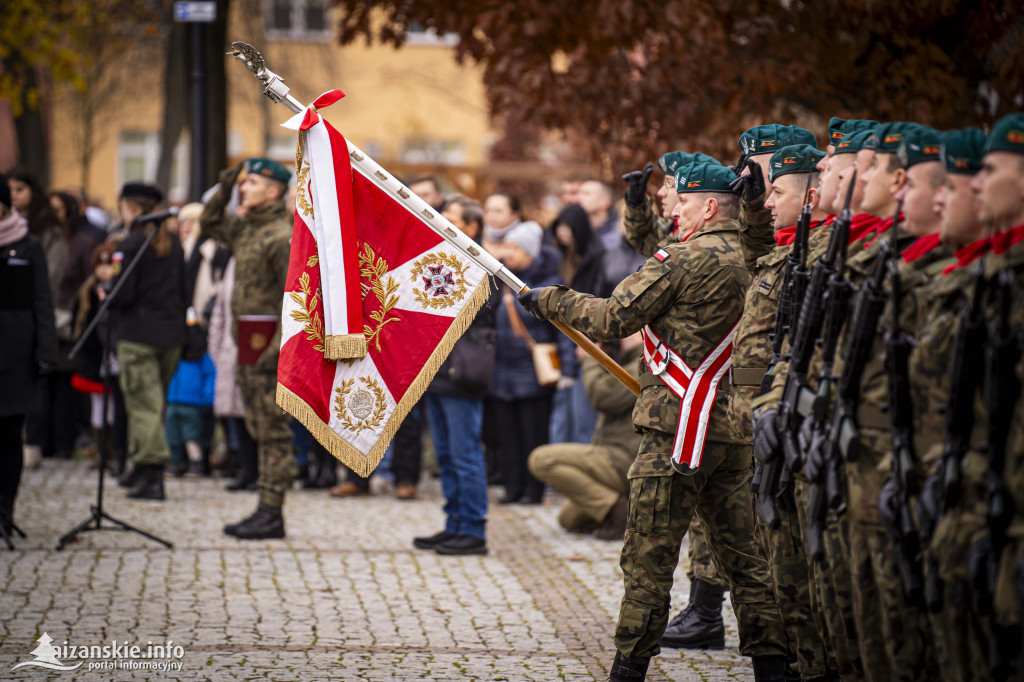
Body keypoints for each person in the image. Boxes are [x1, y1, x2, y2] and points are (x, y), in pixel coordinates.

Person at [519, 161, 787, 681]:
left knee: (648, 560)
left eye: (681, 202)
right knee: (747, 562)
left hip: (675, 432)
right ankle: (774, 668)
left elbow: (613, 317)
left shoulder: (681, 259)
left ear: (708, 206)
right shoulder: (759, 255)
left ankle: (629, 669)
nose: (674, 210)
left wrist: (550, 300)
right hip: (731, 430)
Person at [728, 140, 837, 679]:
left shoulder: (821, 253)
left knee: (802, 574)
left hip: (793, 425)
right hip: (762, 416)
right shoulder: (788, 249)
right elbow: (756, 255)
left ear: (813, 194)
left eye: (775, 191)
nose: (767, 202)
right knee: (776, 564)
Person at [201, 158, 296, 539]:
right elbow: (210, 224)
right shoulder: (248, 230)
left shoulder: (279, 236)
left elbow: (298, 299)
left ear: (273, 191)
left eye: (251, 182)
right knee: (257, 427)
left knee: (272, 432)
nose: (244, 188)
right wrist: (224, 185)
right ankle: (264, 506)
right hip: (247, 346)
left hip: (267, 350)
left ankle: (272, 511)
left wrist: (275, 351)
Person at [413, 196, 499, 556]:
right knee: (446, 453)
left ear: (472, 227)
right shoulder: (437, 257)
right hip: (437, 370)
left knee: (465, 453)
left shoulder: (482, 263)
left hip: (461, 371)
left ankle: (474, 529)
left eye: (448, 217)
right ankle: (454, 523)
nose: (439, 221)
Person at [109, 182, 188, 501]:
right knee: (152, 406)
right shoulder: (174, 245)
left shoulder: (130, 244)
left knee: (142, 406)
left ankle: (153, 473)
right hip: (170, 336)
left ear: (133, 209)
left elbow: (123, 294)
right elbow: (185, 291)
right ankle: (141, 468)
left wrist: (108, 292)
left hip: (138, 337)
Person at [491, 220, 574, 506]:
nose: (509, 252)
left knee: (532, 434)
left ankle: (533, 490)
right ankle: (512, 488)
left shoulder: (545, 284)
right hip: (501, 369)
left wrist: (568, 369)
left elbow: (562, 331)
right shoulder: (499, 281)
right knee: (507, 436)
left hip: (533, 371)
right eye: (507, 246)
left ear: (531, 252)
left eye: (516, 247)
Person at [528, 334, 643, 540]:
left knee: (541, 459)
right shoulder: (630, 362)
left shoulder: (646, 365)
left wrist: (590, 358)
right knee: (568, 519)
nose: (619, 337)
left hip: (626, 460)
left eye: (628, 333)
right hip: (615, 457)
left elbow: (602, 396)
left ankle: (618, 511)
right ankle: (631, 508)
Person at [0, 174, 57, 537]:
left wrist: (45, 352)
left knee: (8, 437)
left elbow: (42, 303)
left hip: (15, 357)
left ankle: (6, 508)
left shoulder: (29, 244)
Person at [10, 169, 72, 465]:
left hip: (36, 316)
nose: (13, 195)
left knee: (36, 386)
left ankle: (34, 442)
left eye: (19, 189)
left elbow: (48, 280)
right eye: (9, 190)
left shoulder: (45, 233)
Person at [547, 202, 604, 447]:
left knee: (583, 415)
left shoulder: (596, 259)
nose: (562, 232)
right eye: (559, 226)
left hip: (587, 346)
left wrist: (596, 341)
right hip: (563, 344)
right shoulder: (558, 259)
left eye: (567, 226)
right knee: (562, 413)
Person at [209, 257, 259, 492]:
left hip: (260, 347)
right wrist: (217, 348)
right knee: (237, 414)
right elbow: (221, 307)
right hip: (232, 347)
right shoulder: (234, 260)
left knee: (259, 415)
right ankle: (247, 470)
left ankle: (263, 474)